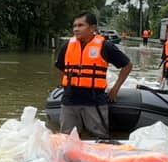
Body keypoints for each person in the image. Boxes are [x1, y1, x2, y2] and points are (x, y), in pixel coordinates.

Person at [56, 10, 132, 139]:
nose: (76, 29)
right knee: (66, 139)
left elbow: (127, 65)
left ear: (93, 28)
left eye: (81, 25)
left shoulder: (105, 46)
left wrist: (115, 89)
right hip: (70, 100)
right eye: (74, 26)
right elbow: (62, 68)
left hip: (94, 100)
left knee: (99, 138)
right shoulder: (67, 46)